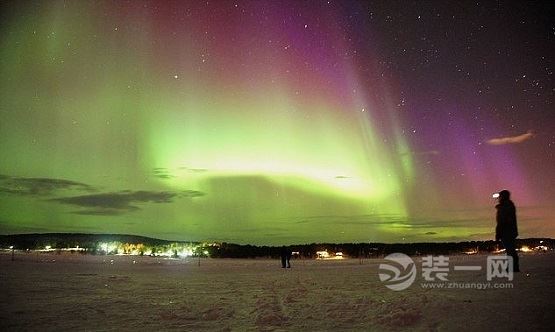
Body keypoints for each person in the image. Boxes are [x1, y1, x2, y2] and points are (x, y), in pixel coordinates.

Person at [495, 189, 520, 272]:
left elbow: (502, 221)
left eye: (500, 196)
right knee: (510, 250)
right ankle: (513, 267)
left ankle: (512, 267)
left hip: (507, 231)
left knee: (510, 250)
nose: (499, 198)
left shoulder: (506, 206)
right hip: (508, 231)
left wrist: (499, 233)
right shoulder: (508, 205)